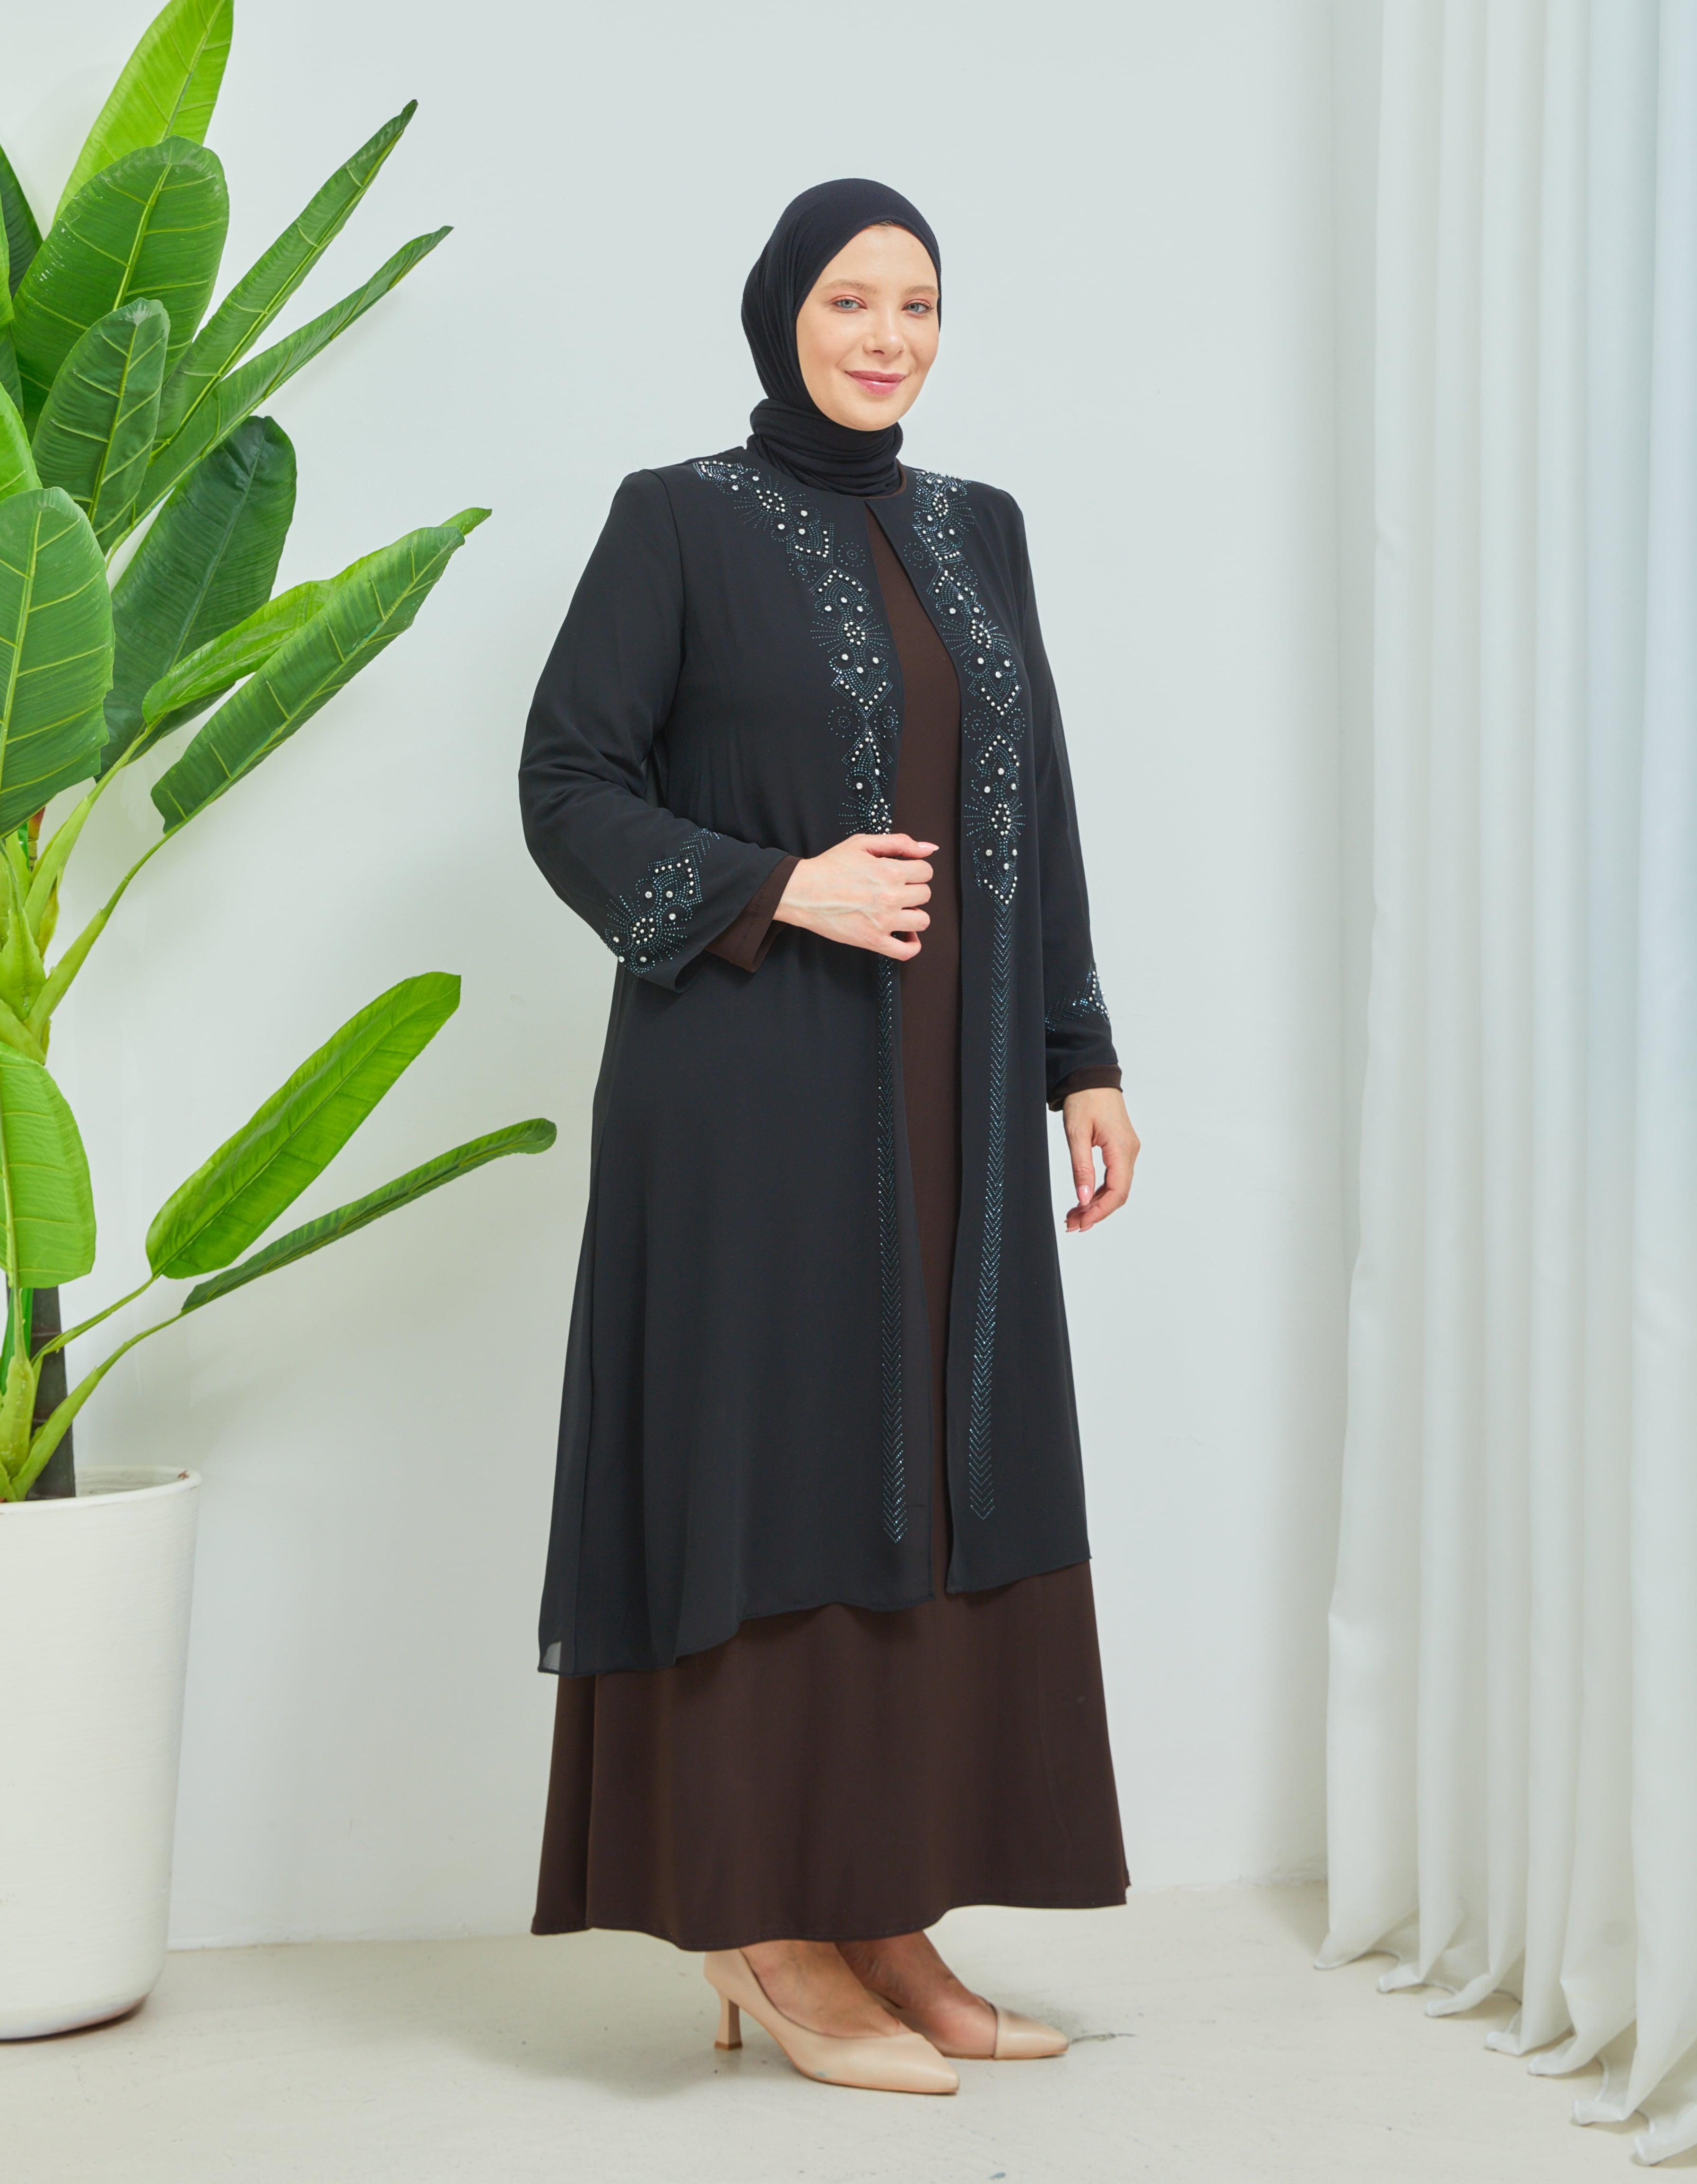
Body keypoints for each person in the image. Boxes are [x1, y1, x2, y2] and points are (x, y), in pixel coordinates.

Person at [518, 177, 1139, 2097]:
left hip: (955, 1105)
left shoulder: (980, 530)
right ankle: (763, 1927)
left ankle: (885, 1913)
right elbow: (565, 781)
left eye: (919, 304)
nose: (888, 336)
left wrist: (1082, 1055)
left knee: (931, 1485)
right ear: (781, 311)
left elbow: (1038, 807)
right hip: (750, 1097)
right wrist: (779, 886)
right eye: (852, 299)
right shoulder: (678, 520)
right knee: (777, 1474)